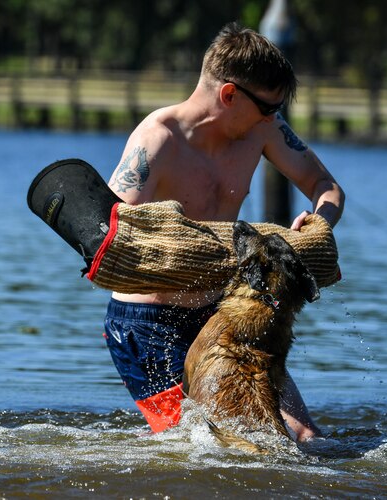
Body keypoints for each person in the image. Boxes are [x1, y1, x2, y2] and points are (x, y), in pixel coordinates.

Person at [102, 22, 344, 440]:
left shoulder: (262, 129)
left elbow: (327, 187)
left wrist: (321, 222)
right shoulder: (158, 139)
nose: (273, 118)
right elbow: (105, 223)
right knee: (199, 442)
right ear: (230, 94)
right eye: (268, 108)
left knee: (304, 436)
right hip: (146, 324)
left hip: (224, 315)